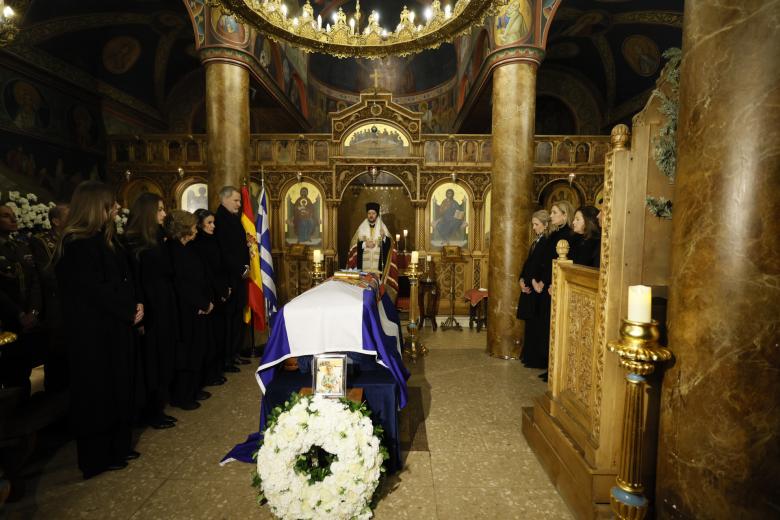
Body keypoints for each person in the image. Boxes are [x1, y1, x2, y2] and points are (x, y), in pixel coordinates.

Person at [55, 181, 143, 479]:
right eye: (111, 204)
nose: (117, 208)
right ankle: (96, 457)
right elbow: (96, 291)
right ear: (95, 207)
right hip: (93, 335)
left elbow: (126, 279)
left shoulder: (107, 240)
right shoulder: (76, 245)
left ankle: (118, 445)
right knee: (97, 393)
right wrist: (127, 307)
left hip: (117, 326)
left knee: (119, 386)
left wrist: (137, 303)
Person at [124, 193, 178, 429]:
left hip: (163, 304)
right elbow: (137, 280)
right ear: (147, 212)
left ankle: (158, 405)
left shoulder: (157, 237)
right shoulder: (134, 241)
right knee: (151, 360)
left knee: (163, 356)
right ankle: (150, 411)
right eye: (159, 210)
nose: (164, 214)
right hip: (150, 307)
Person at [165, 210, 214, 410]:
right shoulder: (173, 251)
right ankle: (182, 395)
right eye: (193, 226)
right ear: (183, 229)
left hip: (198, 306)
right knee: (186, 352)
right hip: (186, 310)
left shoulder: (189, 248)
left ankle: (193, 388)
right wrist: (201, 304)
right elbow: (182, 285)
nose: (196, 229)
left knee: (197, 349)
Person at [0, 204, 42, 398]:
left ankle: (22, 416)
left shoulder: (21, 246)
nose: (14, 219)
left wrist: (33, 311)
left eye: (14, 215)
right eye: (6, 216)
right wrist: (18, 314)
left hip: (27, 319)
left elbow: (35, 280)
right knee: (8, 373)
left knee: (22, 371)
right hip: (6, 320)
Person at [533, 200, 575, 382]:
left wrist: (547, 281)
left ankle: (553, 368)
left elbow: (558, 263)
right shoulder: (555, 234)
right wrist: (538, 280)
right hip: (546, 285)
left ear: (565, 215)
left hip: (553, 286)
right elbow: (544, 260)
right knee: (546, 326)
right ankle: (549, 365)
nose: (551, 216)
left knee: (553, 327)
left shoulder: (567, 236)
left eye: (555, 212)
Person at [29, 203, 69, 392]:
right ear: (56, 221)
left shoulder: (73, 237)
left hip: (74, 302)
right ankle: (54, 396)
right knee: (56, 353)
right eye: (69, 215)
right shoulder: (42, 241)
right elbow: (46, 273)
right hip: (56, 303)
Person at [191, 209, 230, 387]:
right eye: (209, 223)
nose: (213, 226)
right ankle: (210, 374)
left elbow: (221, 266)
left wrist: (225, 288)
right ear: (199, 225)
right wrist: (219, 292)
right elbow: (207, 273)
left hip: (220, 291)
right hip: (210, 294)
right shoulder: (197, 244)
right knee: (210, 337)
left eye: (213, 222)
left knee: (220, 333)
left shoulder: (214, 240)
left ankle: (218, 368)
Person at [214, 186, 249, 370]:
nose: (239, 204)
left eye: (239, 200)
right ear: (224, 199)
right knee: (228, 320)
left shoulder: (232, 218)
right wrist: (239, 269)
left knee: (237, 317)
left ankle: (235, 353)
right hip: (228, 278)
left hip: (239, 276)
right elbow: (224, 252)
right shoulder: (219, 220)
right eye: (236, 200)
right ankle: (226, 358)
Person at [517, 210, 551, 369]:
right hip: (530, 286)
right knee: (529, 323)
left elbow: (542, 266)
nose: (534, 228)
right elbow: (528, 263)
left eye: (536, 224)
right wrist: (522, 279)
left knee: (537, 324)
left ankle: (535, 359)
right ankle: (528, 356)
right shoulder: (536, 241)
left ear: (545, 226)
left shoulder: (546, 242)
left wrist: (532, 280)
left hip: (538, 289)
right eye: (533, 224)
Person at [347, 202, 392, 274]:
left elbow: (389, 246)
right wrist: (365, 244)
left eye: (373, 213)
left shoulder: (382, 227)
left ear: (377, 214)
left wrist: (384, 237)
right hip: (364, 268)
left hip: (378, 269)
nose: (371, 215)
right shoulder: (362, 228)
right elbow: (354, 245)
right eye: (369, 213)